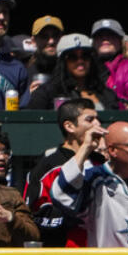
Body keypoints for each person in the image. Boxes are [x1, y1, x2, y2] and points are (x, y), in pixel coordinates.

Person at [24, 98, 105, 247]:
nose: (98, 125)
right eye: (90, 120)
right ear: (69, 126)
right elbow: (34, 216)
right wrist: (79, 216)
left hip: (102, 251)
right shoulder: (48, 166)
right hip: (64, 254)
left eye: (98, 119)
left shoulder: (102, 163)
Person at [25, 34, 119, 110]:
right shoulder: (46, 94)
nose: (80, 61)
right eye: (73, 57)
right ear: (62, 62)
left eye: (85, 56)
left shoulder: (106, 93)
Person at [91, 19, 128, 108]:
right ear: (93, 42)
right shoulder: (87, 68)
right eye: (100, 36)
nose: (105, 39)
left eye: (111, 35)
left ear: (121, 41)